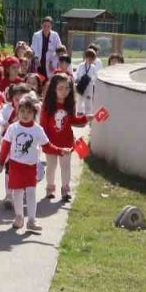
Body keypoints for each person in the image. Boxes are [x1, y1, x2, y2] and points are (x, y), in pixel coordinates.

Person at [0, 92, 49, 233]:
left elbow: (47, 145)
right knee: (17, 193)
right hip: (15, 166)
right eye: (22, 111)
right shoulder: (13, 128)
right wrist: (0, 163)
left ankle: (32, 220)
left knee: (31, 193)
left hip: (31, 167)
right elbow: (5, 146)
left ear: (34, 113)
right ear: (18, 111)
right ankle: (19, 217)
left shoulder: (38, 130)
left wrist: (61, 150)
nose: (25, 114)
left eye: (29, 112)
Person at [40, 73, 88, 204]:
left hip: (66, 141)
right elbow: (42, 125)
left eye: (67, 88)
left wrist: (88, 118)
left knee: (65, 166)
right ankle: (50, 188)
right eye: (60, 88)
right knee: (51, 166)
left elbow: (73, 120)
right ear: (53, 89)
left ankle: (66, 190)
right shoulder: (47, 106)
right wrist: (43, 142)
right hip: (50, 141)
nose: (64, 91)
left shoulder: (70, 104)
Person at [73, 45, 103, 116]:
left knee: (88, 100)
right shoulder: (81, 65)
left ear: (94, 59)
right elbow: (77, 74)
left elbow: (96, 76)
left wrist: (91, 79)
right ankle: (79, 112)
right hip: (81, 84)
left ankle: (88, 114)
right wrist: (76, 80)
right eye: (88, 58)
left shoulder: (93, 67)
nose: (90, 60)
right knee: (80, 99)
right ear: (86, 58)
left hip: (89, 85)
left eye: (92, 59)